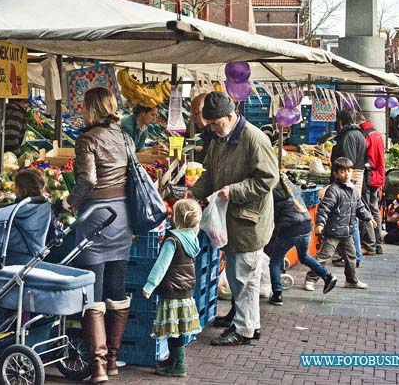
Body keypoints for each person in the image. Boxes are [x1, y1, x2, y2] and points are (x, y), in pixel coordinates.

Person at [185, 91, 278, 347]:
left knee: (243, 277)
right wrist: (196, 190)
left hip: (249, 220)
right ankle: (250, 325)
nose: (211, 128)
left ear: (229, 115)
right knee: (244, 276)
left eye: (215, 123)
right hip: (233, 218)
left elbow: (268, 179)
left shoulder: (253, 138)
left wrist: (234, 190)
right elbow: (211, 172)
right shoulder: (220, 139)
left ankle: (243, 330)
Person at [63, 87, 132, 382]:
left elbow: (88, 180)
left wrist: (69, 202)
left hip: (96, 218)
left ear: (92, 108)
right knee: (116, 291)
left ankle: (99, 366)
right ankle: (113, 360)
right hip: (123, 217)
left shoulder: (87, 139)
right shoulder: (124, 137)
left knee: (93, 293)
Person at [142, 199, 203, 377]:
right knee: (178, 329)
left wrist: (149, 286)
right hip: (185, 290)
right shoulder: (192, 237)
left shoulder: (173, 240)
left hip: (172, 290)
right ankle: (174, 360)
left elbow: (161, 265)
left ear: (177, 218)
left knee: (173, 331)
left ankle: (178, 365)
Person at [264, 173, 337, 306]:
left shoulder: (271, 190)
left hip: (289, 228)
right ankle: (327, 275)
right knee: (303, 256)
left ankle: (277, 293)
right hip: (305, 225)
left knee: (274, 261)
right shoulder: (290, 185)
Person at [306, 157, 375, 290]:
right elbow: (324, 208)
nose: (346, 174)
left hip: (347, 232)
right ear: (336, 174)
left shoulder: (353, 189)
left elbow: (359, 206)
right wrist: (320, 223)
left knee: (351, 257)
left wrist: (368, 217)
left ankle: (351, 280)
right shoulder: (334, 190)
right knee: (324, 256)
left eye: (349, 170)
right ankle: (311, 279)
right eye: (342, 171)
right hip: (334, 231)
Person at [329, 109, 366, 267]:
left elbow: (346, 163)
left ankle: (354, 255)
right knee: (351, 217)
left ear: (341, 122)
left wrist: (343, 182)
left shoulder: (348, 136)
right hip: (356, 178)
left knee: (350, 218)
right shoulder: (359, 134)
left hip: (350, 181)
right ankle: (350, 255)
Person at [355, 112, 385, 256]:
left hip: (368, 175)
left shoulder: (364, 135)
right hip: (377, 175)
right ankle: (378, 243)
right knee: (374, 209)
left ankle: (370, 244)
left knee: (365, 209)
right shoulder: (376, 133)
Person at [189, 93, 216, 165]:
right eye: (192, 114)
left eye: (196, 113)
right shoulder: (207, 130)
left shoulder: (217, 131)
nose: (193, 117)